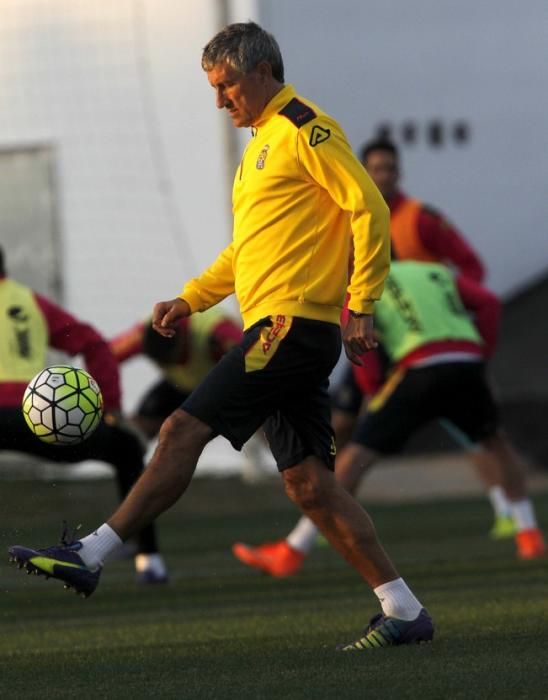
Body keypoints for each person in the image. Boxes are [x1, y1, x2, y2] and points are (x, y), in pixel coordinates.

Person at [8, 21, 434, 651]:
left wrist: (362, 303)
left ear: (262, 70)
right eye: (212, 87)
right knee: (310, 485)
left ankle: (90, 554)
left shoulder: (303, 128)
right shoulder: (260, 146)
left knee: (182, 429)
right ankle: (403, 609)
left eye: (226, 84)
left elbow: (366, 205)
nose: (219, 99)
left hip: (290, 326)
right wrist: (190, 298)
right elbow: (244, 253)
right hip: (283, 327)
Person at [232, 261, 546, 577]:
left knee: (356, 455)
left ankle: (293, 550)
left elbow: (359, 342)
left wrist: (374, 390)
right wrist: (481, 352)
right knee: (496, 443)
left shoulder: (362, 285)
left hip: (417, 365)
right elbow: (489, 303)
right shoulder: (432, 271)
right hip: (465, 361)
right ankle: (529, 535)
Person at [332, 137, 516, 539]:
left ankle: (507, 511)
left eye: (390, 168)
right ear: (363, 173)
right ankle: (341, 519)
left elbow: (471, 267)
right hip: (377, 339)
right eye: (376, 169)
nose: (384, 176)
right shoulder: (350, 221)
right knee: (343, 422)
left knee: (474, 432)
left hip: (425, 344)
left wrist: (442, 303)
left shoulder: (421, 218)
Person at [0, 246, 167, 584]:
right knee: (126, 450)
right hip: (39, 418)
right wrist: (112, 409)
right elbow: (93, 343)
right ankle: (150, 561)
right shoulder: (28, 301)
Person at [110, 310, 270, 481]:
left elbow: (257, 364)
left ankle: (287, 464)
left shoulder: (217, 332)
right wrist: (111, 405)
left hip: (224, 383)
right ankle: (129, 476)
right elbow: (105, 357)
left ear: (183, 342)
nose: (172, 365)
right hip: (181, 385)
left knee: (268, 422)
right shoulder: (143, 335)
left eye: (176, 359)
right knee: (138, 429)